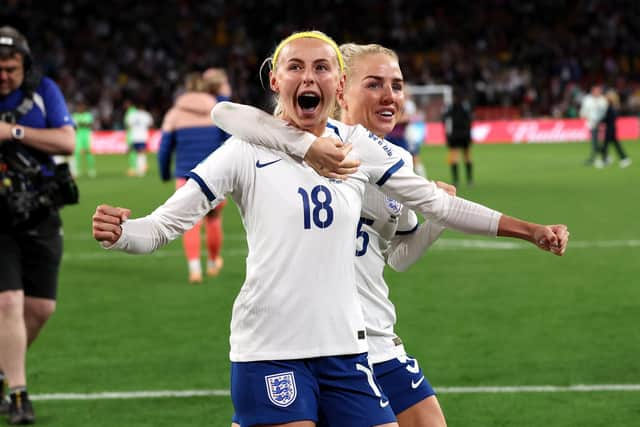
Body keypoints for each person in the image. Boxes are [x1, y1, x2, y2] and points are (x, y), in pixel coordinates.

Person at [94, 31, 568, 427]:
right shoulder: (242, 151)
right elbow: (158, 227)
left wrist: (529, 231)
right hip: (270, 348)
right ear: (275, 79)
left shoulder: (362, 148)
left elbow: (437, 205)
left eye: (321, 68)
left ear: (338, 84)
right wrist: (121, 232)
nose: (308, 77)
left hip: (347, 350)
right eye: (295, 67)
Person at [226, 42, 452, 427]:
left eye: (396, 86)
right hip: (314, 343)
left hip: (378, 342)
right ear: (342, 89)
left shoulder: (398, 163)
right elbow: (233, 118)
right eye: (375, 85)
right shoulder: (297, 148)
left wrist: (437, 218)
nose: (389, 97)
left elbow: (398, 257)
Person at [0, 26, 76, 425]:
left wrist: (12, 132)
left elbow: (67, 142)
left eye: (10, 68)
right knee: (8, 300)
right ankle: (18, 395)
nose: (4, 76)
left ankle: (2, 370)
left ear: (23, 65)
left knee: (41, 308)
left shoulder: (44, 90)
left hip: (41, 210)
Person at [158, 69, 231, 283]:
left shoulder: (174, 113)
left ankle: (194, 269)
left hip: (185, 177)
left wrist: (164, 172)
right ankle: (213, 262)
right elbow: (229, 143)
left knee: (190, 225)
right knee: (214, 221)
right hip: (215, 176)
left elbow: (164, 149)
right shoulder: (216, 111)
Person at [442, 90, 473, 186]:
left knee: (454, 157)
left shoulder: (451, 107)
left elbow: (444, 118)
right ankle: (469, 180)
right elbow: (470, 119)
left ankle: (456, 181)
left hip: (454, 135)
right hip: (465, 134)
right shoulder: (466, 106)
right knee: (467, 156)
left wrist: (447, 133)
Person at [601, 89, 632, 168]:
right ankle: (623, 158)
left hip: (610, 128)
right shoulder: (612, 106)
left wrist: (601, 120)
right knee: (613, 144)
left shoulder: (611, 107)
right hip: (611, 127)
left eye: (607, 96)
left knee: (606, 144)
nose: (605, 97)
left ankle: (606, 160)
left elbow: (610, 118)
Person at [579, 85, 608, 168]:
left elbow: (604, 112)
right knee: (595, 142)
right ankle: (603, 156)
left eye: (598, 91)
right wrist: (583, 115)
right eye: (595, 91)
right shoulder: (587, 99)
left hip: (601, 124)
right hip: (591, 123)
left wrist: (601, 121)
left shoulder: (603, 100)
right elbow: (584, 110)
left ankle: (595, 157)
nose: (596, 92)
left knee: (596, 142)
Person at [124, 99, 153, 177]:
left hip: (134, 136)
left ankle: (139, 169)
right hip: (142, 136)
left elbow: (128, 125)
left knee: (137, 153)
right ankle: (141, 170)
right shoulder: (146, 114)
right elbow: (150, 124)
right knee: (142, 153)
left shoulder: (132, 115)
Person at [71, 98, 96, 177]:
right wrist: (82, 124)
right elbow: (74, 126)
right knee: (77, 153)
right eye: (79, 106)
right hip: (78, 136)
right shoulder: (74, 115)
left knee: (89, 152)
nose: (80, 108)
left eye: (82, 106)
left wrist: (80, 124)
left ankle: (91, 170)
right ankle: (76, 170)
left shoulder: (88, 115)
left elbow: (88, 124)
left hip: (86, 135)